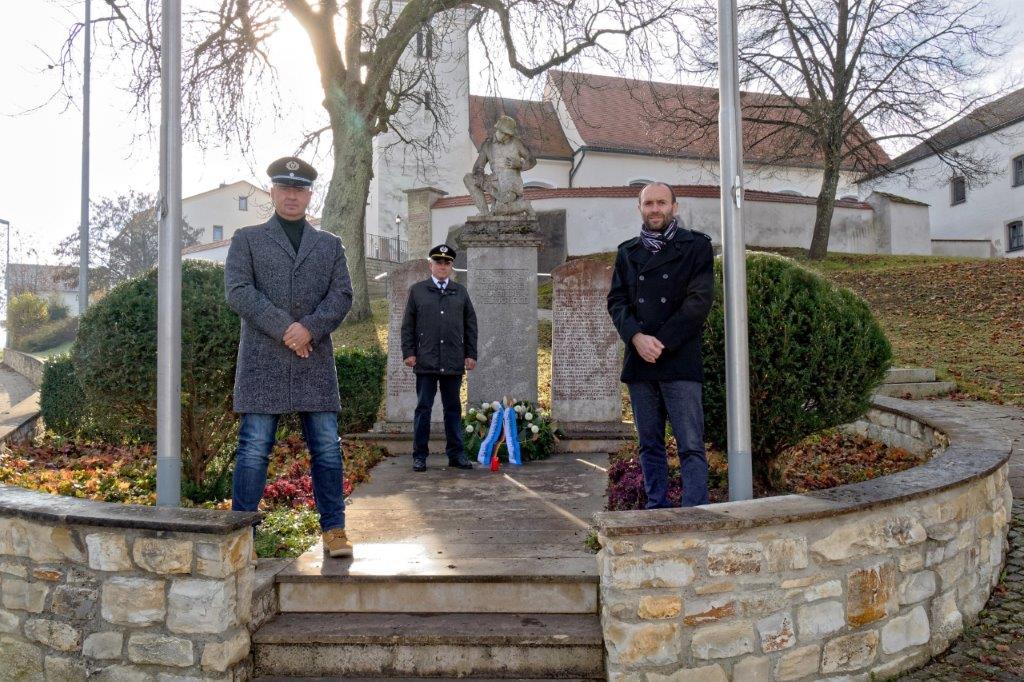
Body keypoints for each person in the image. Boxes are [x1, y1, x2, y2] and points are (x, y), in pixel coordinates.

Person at [225, 156, 355, 558]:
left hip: (313, 361)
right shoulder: (246, 239)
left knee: (327, 449)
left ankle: (334, 531)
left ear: (309, 195)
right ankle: (240, 534)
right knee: (253, 448)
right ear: (273, 193)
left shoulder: (330, 245)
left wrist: (309, 329)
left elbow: (342, 296)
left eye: (299, 190)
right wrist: (287, 328)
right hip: (263, 361)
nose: (292, 195)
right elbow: (239, 291)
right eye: (285, 189)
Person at [607, 182, 715, 508]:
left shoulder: (696, 247)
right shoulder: (628, 252)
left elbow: (698, 302)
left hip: (680, 359)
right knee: (649, 444)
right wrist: (637, 338)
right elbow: (617, 301)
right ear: (640, 208)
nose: (655, 209)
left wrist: (661, 343)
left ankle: (694, 512)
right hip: (640, 362)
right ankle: (656, 509)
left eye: (661, 203)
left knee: (691, 444)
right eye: (649, 203)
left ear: (674, 207)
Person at [401, 244, 478, 472]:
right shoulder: (418, 291)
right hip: (425, 360)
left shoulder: (460, 292)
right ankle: (419, 456)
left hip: (453, 361)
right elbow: (408, 326)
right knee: (423, 408)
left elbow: (470, 325)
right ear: (430, 265)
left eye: (446, 263)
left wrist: (471, 354)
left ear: (451, 267)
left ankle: (456, 454)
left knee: (453, 409)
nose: (442, 266)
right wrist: (409, 353)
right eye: (438, 262)